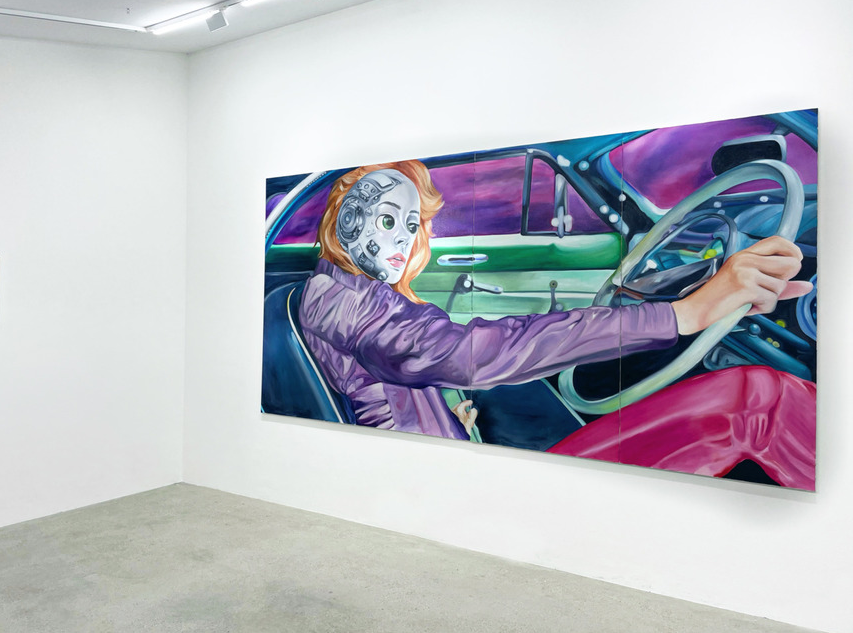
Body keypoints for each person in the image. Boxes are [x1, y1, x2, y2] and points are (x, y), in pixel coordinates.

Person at [297, 160, 816, 489]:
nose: (402, 241)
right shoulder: (347, 305)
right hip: (448, 486)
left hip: (445, 456)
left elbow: (397, 369)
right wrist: (684, 313)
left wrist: (439, 415)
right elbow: (465, 355)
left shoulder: (346, 291)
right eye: (387, 220)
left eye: (411, 226)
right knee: (757, 401)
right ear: (344, 220)